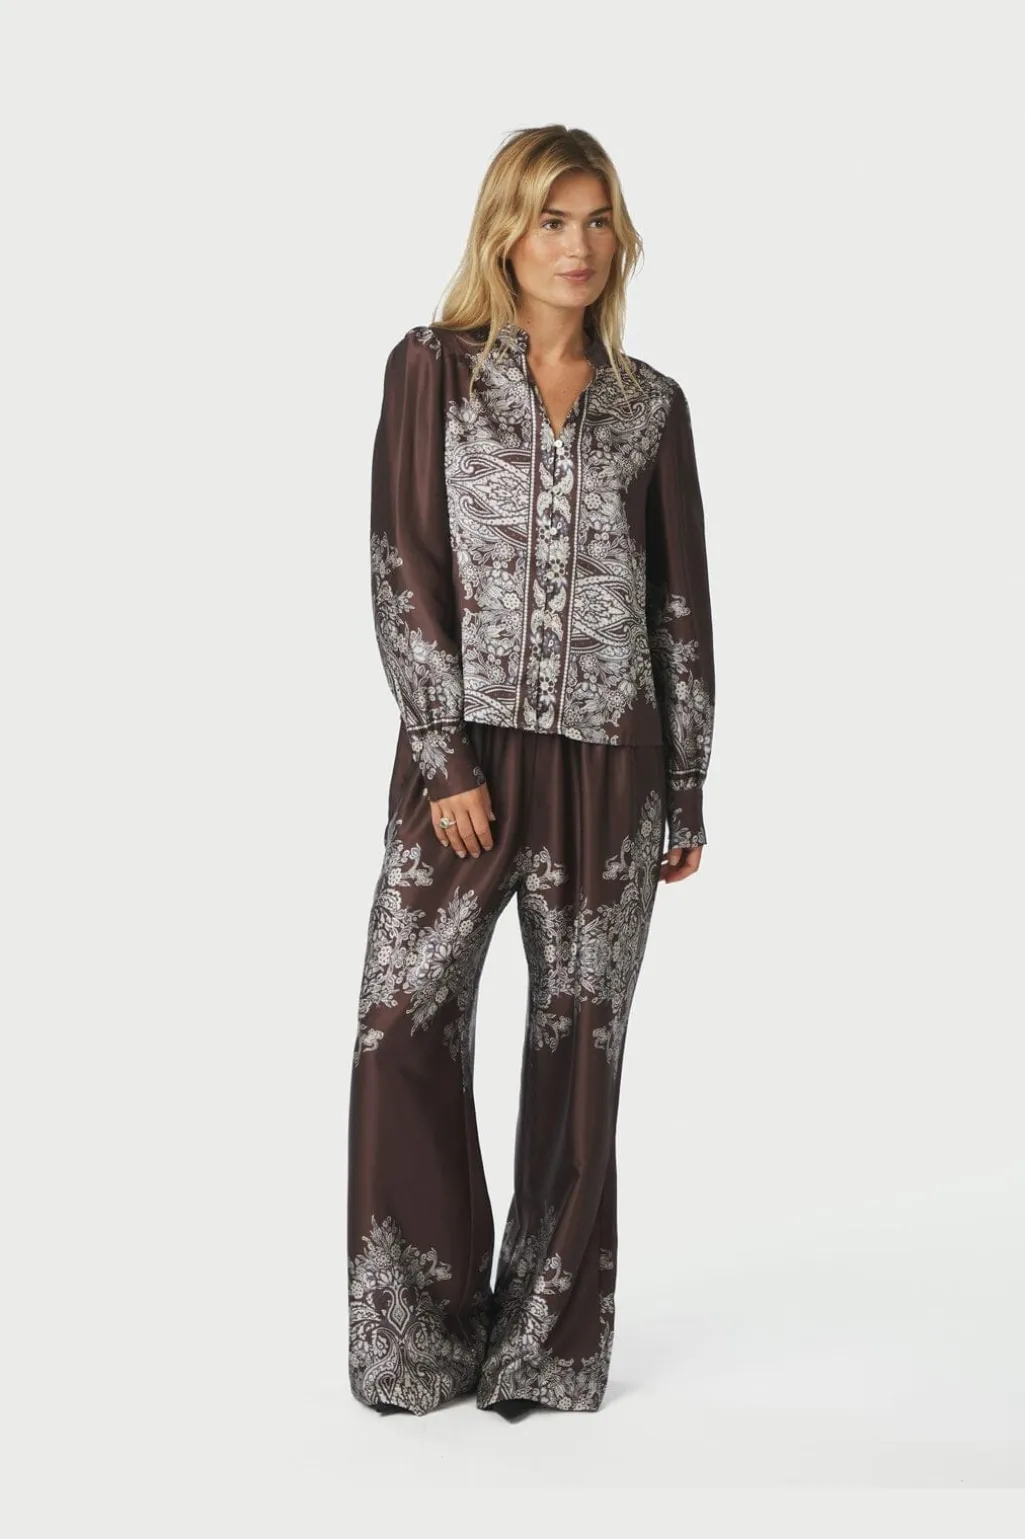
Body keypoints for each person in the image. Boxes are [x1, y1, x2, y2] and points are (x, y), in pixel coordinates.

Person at [347, 124, 715, 1420]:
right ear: (506, 232)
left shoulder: (651, 404)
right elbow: (404, 562)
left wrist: (688, 781)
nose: (579, 245)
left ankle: (544, 1350)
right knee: (402, 1025)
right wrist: (442, 750)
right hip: (466, 761)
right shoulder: (434, 369)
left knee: (581, 1050)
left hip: (616, 767)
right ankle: (419, 1339)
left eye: (598, 220)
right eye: (554, 219)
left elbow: (679, 603)